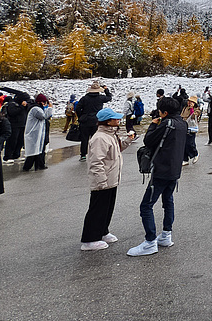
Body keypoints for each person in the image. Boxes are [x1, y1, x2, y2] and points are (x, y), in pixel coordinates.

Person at [127, 97, 187, 257]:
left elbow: (148, 141)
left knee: (146, 206)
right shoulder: (182, 123)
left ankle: (150, 241)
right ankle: (166, 235)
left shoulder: (167, 124)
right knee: (168, 201)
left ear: (165, 113)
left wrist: (153, 125)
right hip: (174, 170)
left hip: (162, 170)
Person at [80, 108, 134, 251]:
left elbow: (116, 150)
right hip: (102, 181)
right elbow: (96, 162)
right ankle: (89, 239)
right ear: (108, 121)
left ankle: (102, 232)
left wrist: (128, 140)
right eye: (115, 119)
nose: (118, 120)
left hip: (111, 179)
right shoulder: (100, 138)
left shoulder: (110, 135)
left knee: (107, 208)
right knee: (97, 209)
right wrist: (101, 181)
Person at [76, 82, 112, 161]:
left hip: (85, 120)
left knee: (84, 138)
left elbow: (77, 108)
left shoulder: (84, 98)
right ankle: (94, 154)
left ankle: (83, 155)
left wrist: (81, 116)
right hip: (96, 120)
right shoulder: (100, 98)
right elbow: (109, 97)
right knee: (95, 138)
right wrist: (106, 90)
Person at [22, 94, 53, 171]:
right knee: (33, 152)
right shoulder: (35, 109)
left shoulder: (37, 108)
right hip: (33, 133)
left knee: (38, 150)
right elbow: (44, 116)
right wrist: (50, 108)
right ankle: (28, 167)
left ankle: (39, 165)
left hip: (36, 133)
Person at [3, 92, 30, 163]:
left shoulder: (24, 105)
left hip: (22, 124)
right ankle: (7, 156)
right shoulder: (12, 104)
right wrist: (21, 106)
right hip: (14, 125)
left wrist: (26, 106)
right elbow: (12, 112)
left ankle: (16, 154)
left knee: (20, 141)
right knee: (12, 141)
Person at [181, 95, 201, 165]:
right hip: (184, 127)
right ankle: (185, 159)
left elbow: (193, 117)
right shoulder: (185, 108)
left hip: (191, 128)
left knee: (190, 143)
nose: (189, 103)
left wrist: (191, 108)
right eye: (189, 101)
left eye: (191, 102)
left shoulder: (197, 109)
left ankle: (195, 154)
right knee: (183, 144)